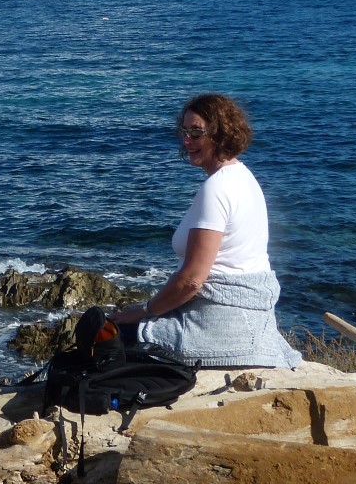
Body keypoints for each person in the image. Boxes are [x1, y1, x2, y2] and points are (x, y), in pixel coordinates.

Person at [111, 93, 301, 368]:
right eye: (184, 131)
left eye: (196, 133)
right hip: (248, 321)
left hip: (216, 326)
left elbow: (191, 281)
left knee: (105, 333)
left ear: (220, 134)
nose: (186, 141)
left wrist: (144, 311)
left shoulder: (217, 189)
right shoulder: (243, 178)